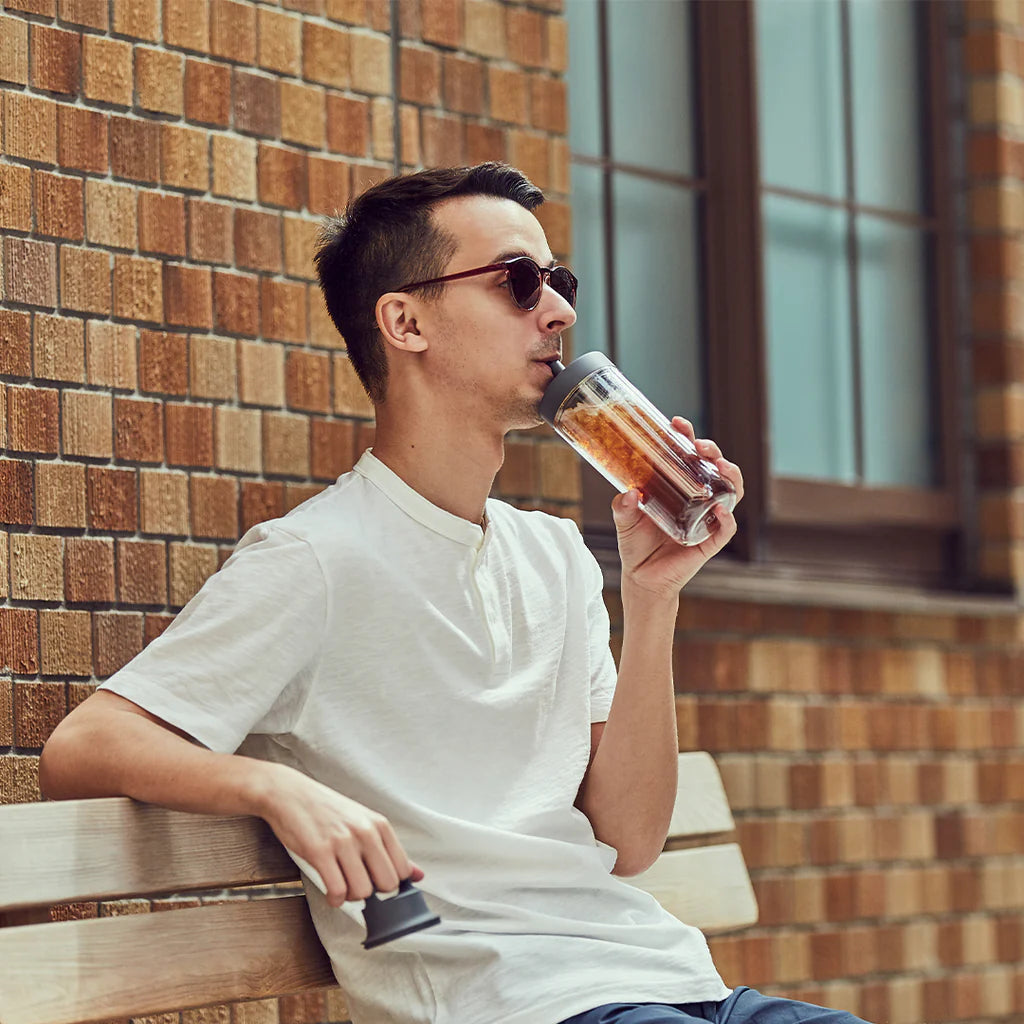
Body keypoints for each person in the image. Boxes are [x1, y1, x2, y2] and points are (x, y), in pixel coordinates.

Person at [40, 163, 869, 1024]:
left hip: (670, 980)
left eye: (559, 281)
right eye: (518, 282)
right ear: (405, 322)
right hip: (514, 1003)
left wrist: (654, 599)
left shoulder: (555, 556)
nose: (559, 311)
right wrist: (274, 789)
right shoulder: (314, 560)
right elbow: (83, 747)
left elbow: (627, 842)